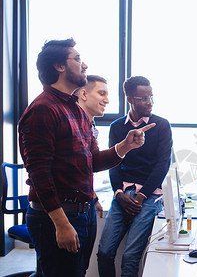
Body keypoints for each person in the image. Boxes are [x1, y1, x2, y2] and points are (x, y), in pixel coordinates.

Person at [18, 38, 154, 277]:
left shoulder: (75, 110)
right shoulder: (43, 109)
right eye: (78, 59)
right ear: (59, 66)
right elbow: (40, 174)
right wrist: (60, 223)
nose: (85, 65)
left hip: (83, 212)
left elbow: (90, 162)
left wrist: (124, 147)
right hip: (59, 216)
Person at [97, 76, 172, 277]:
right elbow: (114, 162)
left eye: (151, 97)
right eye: (143, 98)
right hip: (124, 193)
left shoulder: (161, 125)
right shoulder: (117, 127)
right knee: (104, 253)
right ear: (130, 98)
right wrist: (119, 193)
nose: (150, 103)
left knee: (131, 256)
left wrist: (142, 196)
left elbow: (162, 165)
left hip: (149, 194)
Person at [73, 74, 109, 273]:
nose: (107, 100)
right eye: (101, 93)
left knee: (81, 269)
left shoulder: (89, 124)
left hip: (85, 205)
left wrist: (93, 195)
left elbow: (85, 166)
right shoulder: (72, 123)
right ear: (84, 94)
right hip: (68, 209)